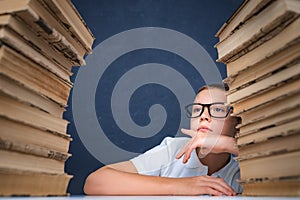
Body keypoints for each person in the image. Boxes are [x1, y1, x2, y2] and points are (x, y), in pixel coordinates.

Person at [84, 83, 242, 196]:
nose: (203, 116)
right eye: (197, 109)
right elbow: (95, 181)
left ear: (237, 123)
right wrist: (182, 186)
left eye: (218, 109)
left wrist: (229, 144)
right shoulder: (173, 150)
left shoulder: (242, 170)